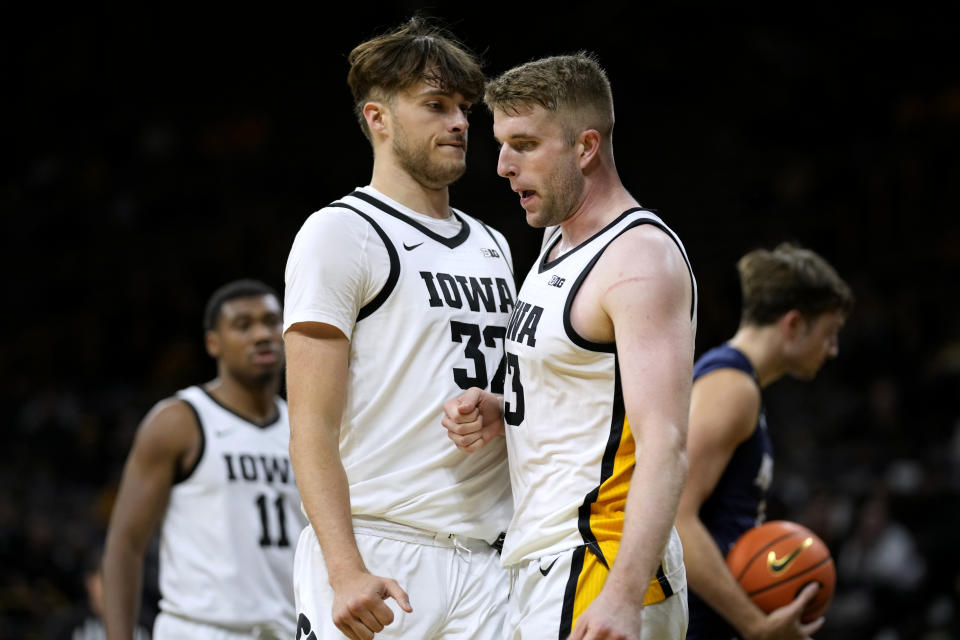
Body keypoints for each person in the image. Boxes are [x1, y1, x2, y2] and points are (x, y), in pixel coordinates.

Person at [443, 52, 697, 639]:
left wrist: (624, 594)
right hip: (547, 560)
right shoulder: (558, 242)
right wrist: (505, 413)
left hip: (598, 562)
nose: (503, 166)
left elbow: (665, 443)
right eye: (501, 143)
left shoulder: (637, 259)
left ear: (586, 147)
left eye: (524, 144)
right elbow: (596, 401)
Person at [282, 16, 516, 640]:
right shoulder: (340, 233)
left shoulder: (494, 245)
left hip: (488, 557)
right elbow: (309, 424)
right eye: (436, 106)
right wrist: (344, 569)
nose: (461, 122)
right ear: (378, 118)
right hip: (378, 547)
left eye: (464, 107)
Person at [102, 279, 305, 640]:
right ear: (214, 343)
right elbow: (125, 545)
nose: (262, 334)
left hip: (291, 629)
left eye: (272, 322)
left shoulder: (305, 427)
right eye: (243, 325)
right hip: (200, 629)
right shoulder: (180, 421)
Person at [675, 242, 853, 639]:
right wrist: (756, 625)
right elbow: (675, 517)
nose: (833, 350)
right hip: (696, 623)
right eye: (830, 334)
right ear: (793, 324)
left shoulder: (738, 383)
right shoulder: (732, 388)